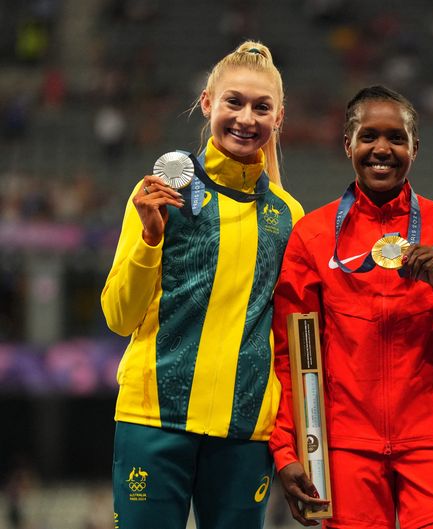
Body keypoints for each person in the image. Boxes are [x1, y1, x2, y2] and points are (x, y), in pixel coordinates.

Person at [100, 40, 303, 529]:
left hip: (243, 432)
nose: (246, 118)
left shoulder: (287, 216)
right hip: (154, 420)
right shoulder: (161, 194)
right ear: (208, 102)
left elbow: (287, 338)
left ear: (278, 119)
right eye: (233, 102)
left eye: (261, 107)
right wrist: (150, 238)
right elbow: (118, 317)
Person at [269, 85, 433, 529]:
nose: (382, 148)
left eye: (396, 138)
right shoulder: (312, 235)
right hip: (345, 447)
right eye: (368, 137)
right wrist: (287, 450)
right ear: (348, 145)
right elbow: (290, 356)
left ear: (414, 147)